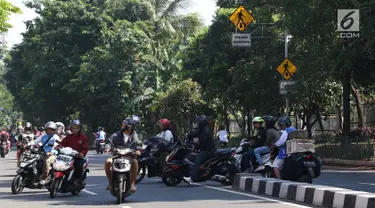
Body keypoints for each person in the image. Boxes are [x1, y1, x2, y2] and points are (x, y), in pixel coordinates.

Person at [105, 118, 141, 192]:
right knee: (107, 162)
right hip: (117, 156)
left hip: (129, 156)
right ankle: (110, 183)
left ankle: (132, 184)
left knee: (135, 162)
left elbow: (138, 144)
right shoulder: (116, 135)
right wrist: (107, 148)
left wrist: (138, 150)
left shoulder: (134, 135)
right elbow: (109, 142)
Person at [184, 115, 216, 183]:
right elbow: (192, 136)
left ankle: (193, 178)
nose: (195, 124)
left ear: (201, 123)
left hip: (207, 150)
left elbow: (201, 143)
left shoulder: (205, 132)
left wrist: (195, 147)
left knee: (197, 162)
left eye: (197, 123)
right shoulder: (202, 130)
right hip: (205, 149)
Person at [57, 120, 88, 185]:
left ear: (79, 128)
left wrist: (82, 153)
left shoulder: (83, 138)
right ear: (71, 128)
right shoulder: (68, 137)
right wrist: (58, 146)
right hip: (68, 156)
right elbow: (62, 143)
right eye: (74, 128)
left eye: (77, 128)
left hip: (77, 157)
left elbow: (85, 148)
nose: (75, 130)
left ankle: (76, 179)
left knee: (79, 165)